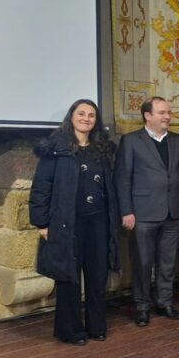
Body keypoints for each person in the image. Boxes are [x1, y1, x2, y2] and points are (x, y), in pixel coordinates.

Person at [29, 99, 120, 345]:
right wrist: (42, 224)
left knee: (97, 275)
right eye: (81, 114)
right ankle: (70, 331)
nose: (86, 119)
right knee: (68, 277)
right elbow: (41, 188)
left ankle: (96, 326)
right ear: (71, 117)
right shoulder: (56, 149)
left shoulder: (102, 148)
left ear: (96, 121)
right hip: (67, 222)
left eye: (91, 115)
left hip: (98, 222)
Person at [115, 96, 179, 326]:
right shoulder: (131, 141)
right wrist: (126, 211)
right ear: (147, 116)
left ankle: (165, 302)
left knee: (168, 263)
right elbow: (122, 179)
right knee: (142, 263)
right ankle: (142, 306)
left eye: (168, 112)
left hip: (173, 212)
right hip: (142, 214)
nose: (167, 116)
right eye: (162, 113)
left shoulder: (178, 141)